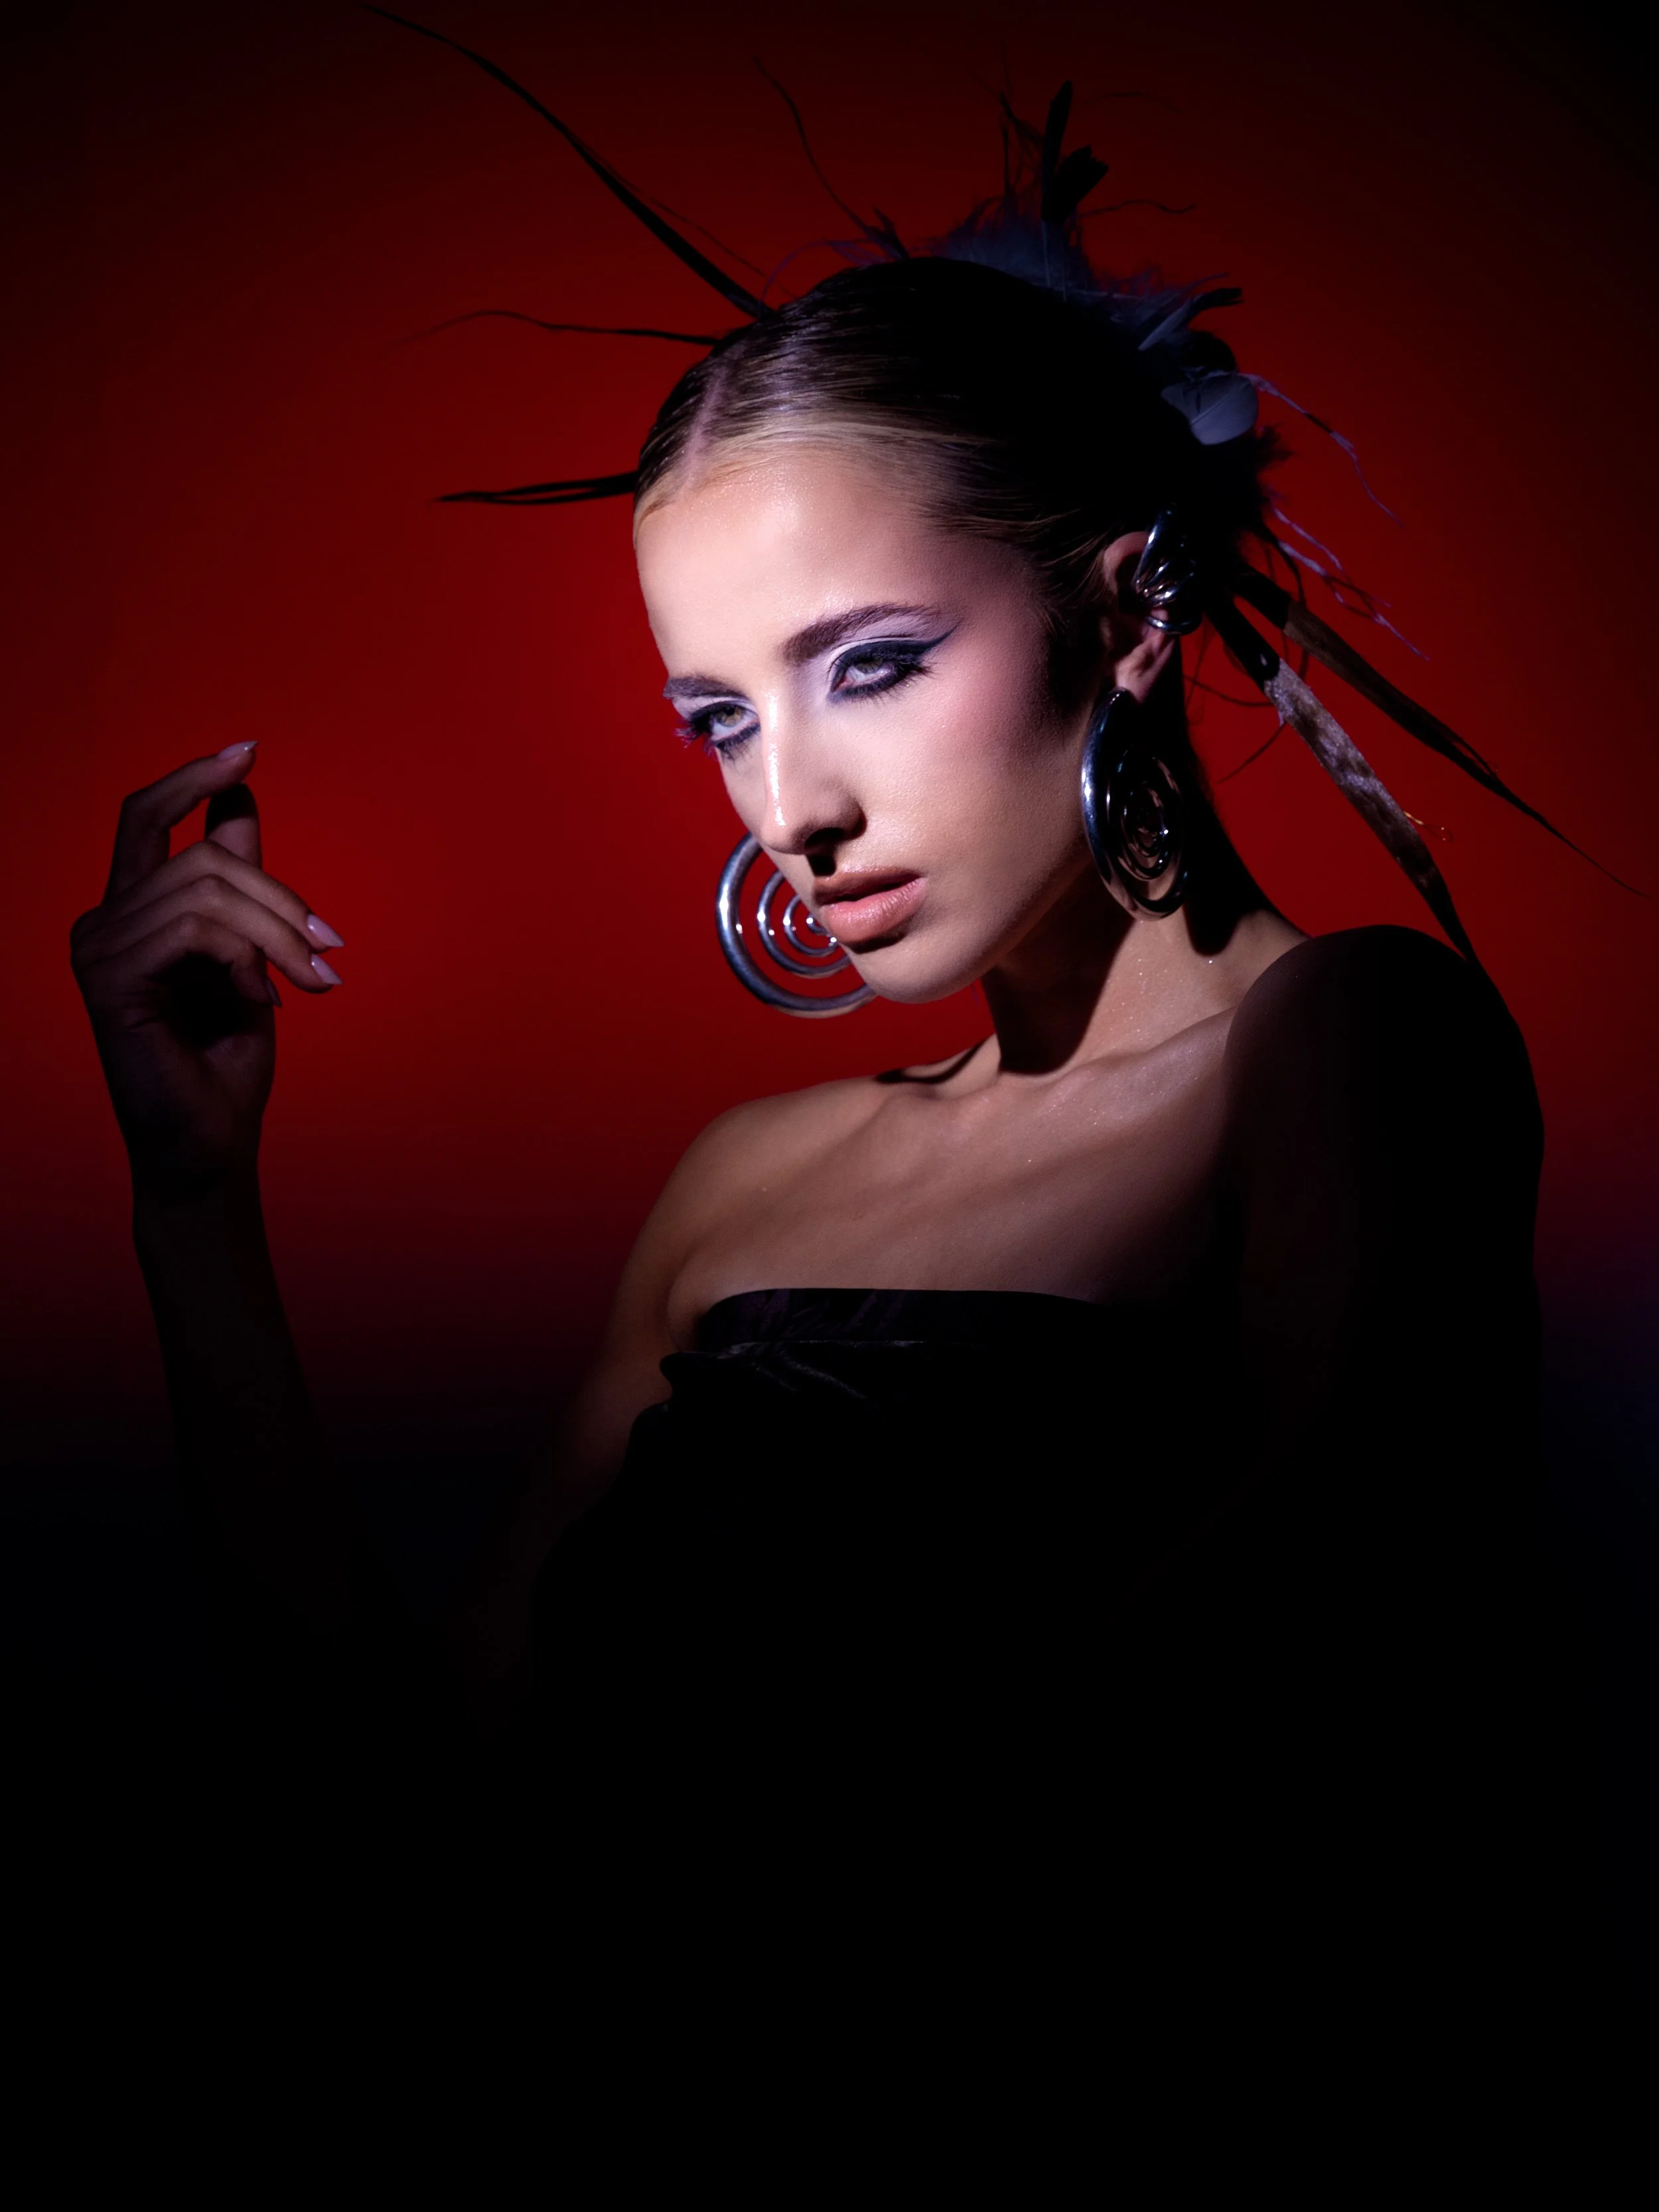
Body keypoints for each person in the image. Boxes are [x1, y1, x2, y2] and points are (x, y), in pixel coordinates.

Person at [67, 56, 1605, 2051]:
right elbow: (409, 1805)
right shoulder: (743, 1192)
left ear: (1131, 605)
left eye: (870, 666)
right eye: (718, 714)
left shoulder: (1346, 1044)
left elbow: (1319, 1661)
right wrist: (193, 1207)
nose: (788, 802)